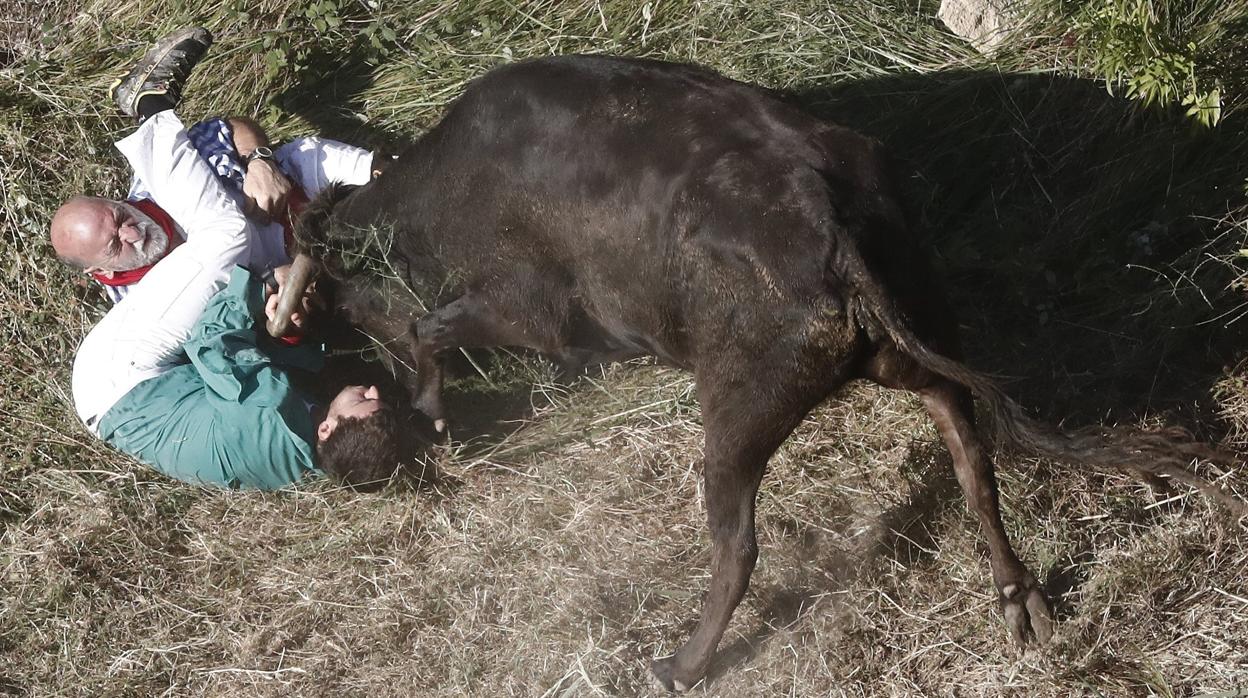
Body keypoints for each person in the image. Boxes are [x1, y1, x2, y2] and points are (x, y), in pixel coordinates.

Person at [63, 27, 401, 489]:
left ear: (328, 427)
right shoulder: (297, 452)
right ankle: (399, 177)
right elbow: (257, 358)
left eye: (367, 403)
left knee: (226, 234)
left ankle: (149, 107)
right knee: (234, 240)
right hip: (127, 395)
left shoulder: (270, 419)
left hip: (118, 379)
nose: (373, 391)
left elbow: (213, 345)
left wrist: (262, 287)